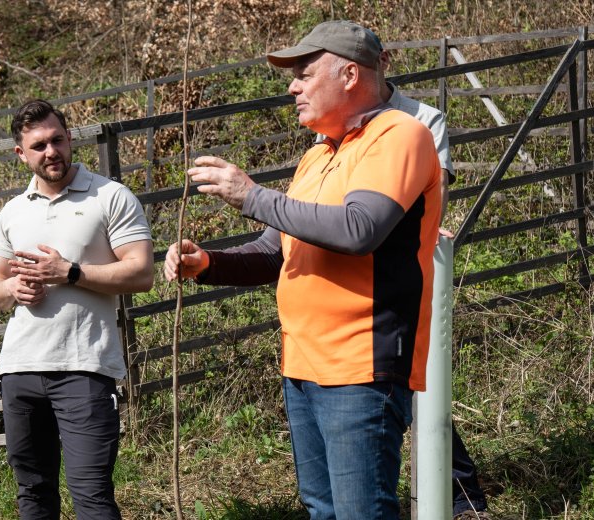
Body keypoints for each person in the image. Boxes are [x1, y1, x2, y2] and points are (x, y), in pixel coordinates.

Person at [165, 20, 441, 518]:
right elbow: (277, 251)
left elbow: (359, 229)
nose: (292, 86)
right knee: (323, 511)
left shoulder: (400, 135)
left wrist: (250, 195)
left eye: (305, 73)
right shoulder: (317, 155)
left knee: (362, 513)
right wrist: (206, 264)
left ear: (351, 75)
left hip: (361, 369)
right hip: (303, 367)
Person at [0, 99, 153, 519]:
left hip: (84, 368)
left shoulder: (110, 196)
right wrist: (13, 287)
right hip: (20, 369)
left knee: (91, 494)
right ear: (21, 154)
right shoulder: (13, 212)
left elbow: (141, 273)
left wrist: (70, 272)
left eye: (57, 139)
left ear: (70, 138)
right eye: (38, 145)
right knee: (34, 494)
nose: (51, 151)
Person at [378, 56, 491, 519]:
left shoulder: (423, 119)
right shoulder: (337, 122)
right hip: (356, 269)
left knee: (413, 380)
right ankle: (457, 497)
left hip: (407, 265)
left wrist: (425, 226)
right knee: (399, 386)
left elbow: (436, 189)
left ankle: (461, 498)